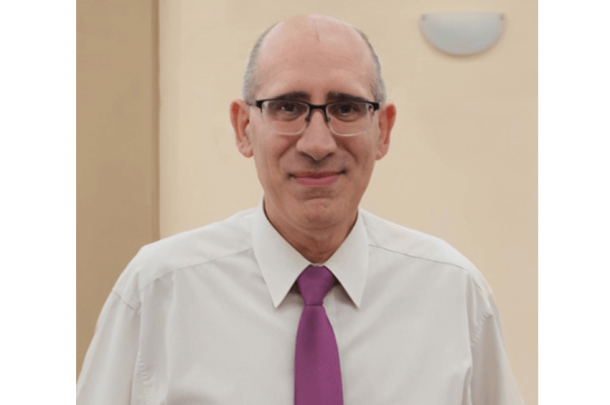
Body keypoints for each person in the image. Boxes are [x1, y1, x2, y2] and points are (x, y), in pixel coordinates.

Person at [77, 14, 524, 405]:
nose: (317, 144)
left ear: (383, 130)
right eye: (288, 107)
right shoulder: (159, 292)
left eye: (346, 108)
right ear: (243, 127)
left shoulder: (454, 295)